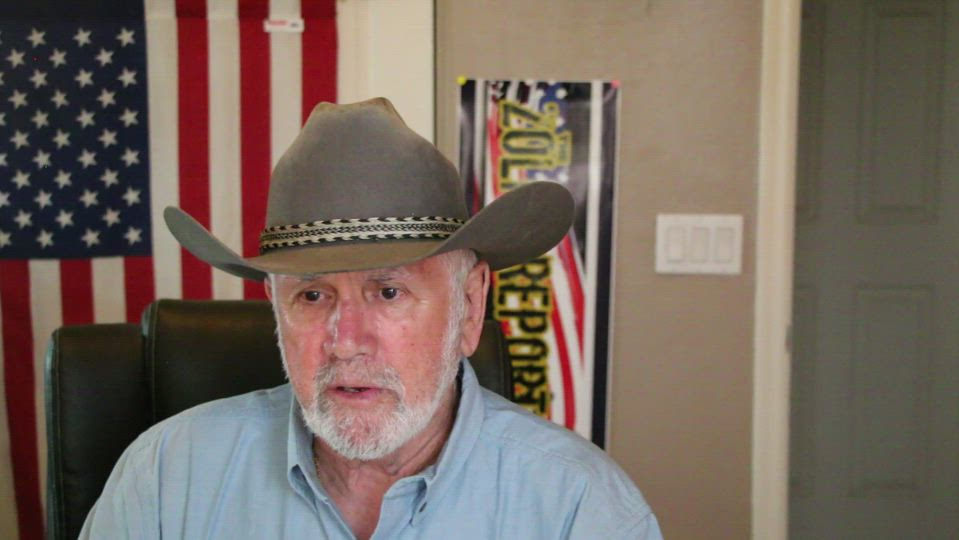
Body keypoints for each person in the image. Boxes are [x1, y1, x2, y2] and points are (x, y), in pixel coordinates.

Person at [80, 98, 663, 539]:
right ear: (275, 308)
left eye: (388, 292)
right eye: (313, 296)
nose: (345, 342)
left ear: (470, 305)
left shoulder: (578, 507)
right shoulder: (168, 476)